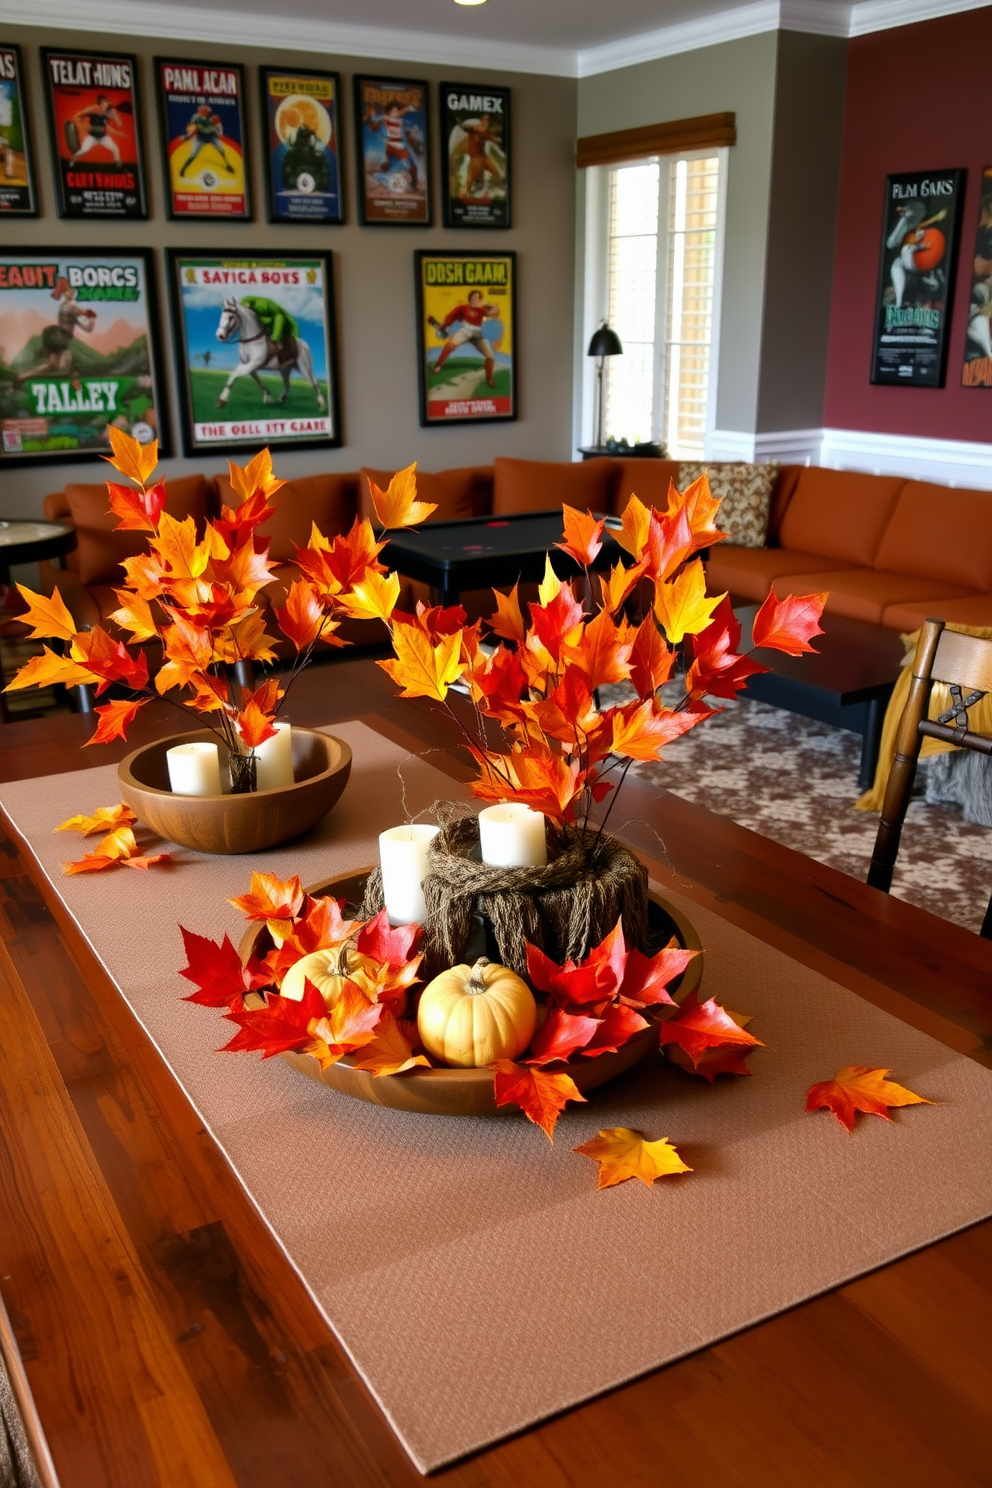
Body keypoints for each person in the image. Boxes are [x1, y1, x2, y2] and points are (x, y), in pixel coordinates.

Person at [15, 277, 96, 390]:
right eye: (70, 291)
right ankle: (76, 386)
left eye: (73, 292)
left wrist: (92, 319)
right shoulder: (67, 306)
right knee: (68, 360)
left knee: (52, 366)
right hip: (59, 337)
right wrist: (88, 313)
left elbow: (88, 328)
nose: (72, 294)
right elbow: (75, 310)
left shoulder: (72, 312)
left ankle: (23, 376)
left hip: (60, 338)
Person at [431, 289, 499, 386]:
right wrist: (445, 325)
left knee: (490, 357)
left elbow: (495, 311)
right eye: (474, 297)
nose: (476, 299)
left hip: (477, 333)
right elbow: (451, 316)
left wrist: (491, 306)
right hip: (465, 330)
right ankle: (438, 365)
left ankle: (489, 379)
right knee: (450, 345)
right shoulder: (463, 308)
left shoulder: (482, 309)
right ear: (470, 298)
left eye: (478, 297)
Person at [367, 101, 419, 188]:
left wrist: (410, 134)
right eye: (394, 111)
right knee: (406, 163)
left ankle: (413, 184)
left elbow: (403, 118)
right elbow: (374, 124)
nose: (397, 113)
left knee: (412, 166)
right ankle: (380, 176)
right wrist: (410, 108)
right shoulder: (386, 118)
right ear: (389, 112)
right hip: (393, 147)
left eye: (397, 111)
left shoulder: (400, 121)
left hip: (399, 146)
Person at [457, 114, 504, 199]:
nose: (486, 123)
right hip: (476, 157)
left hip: (483, 157)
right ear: (481, 121)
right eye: (485, 120)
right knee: (473, 175)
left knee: (496, 172)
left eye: (487, 121)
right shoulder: (474, 129)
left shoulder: (485, 132)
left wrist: (498, 140)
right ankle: (468, 192)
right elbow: (464, 127)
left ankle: (490, 189)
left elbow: (493, 138)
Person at [240, 295, 298, 364]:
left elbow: (279, 318)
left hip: (285, 326)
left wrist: (275, 336)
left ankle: (286, 357)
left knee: (280, 341)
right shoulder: (248, 306)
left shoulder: (267, 306)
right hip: (269, 324)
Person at [180, 104, 235, 176]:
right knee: (193, 154)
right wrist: (188, 136)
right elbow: (193, 128)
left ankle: (228, 165)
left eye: (202, 113)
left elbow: (219, 126)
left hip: (211, 136)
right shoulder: (195, 117)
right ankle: (183, 169)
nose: (199, 114)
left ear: (206, 113)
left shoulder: (214, 118)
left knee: (221, 149)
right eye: (199, 113)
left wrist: (220, 133)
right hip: (200, 137)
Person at [71, 94, 122, 164]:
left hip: (103, 136)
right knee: (84, 150)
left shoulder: (108, 112)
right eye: (103, 104)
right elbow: (78, 116)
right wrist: (83, 125)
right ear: (99, 105)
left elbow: (119, 124)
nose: (105, 106)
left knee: (115, 148)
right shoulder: (91, 110)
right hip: (92, 136)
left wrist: (115, 115)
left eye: (106, 104)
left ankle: (118, 163)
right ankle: (73, 160)